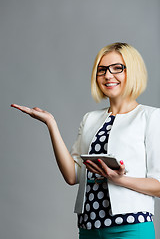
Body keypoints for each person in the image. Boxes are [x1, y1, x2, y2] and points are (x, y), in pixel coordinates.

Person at [11, 42, 160, 239]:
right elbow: (73, 176)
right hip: (88, 227)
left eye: (117, 68)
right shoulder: (90, 118)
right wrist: (51, 123)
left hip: (130, 227)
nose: (108, 75)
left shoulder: (151, 117)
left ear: (132, 72)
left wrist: (120, 179)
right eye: (102, 70)